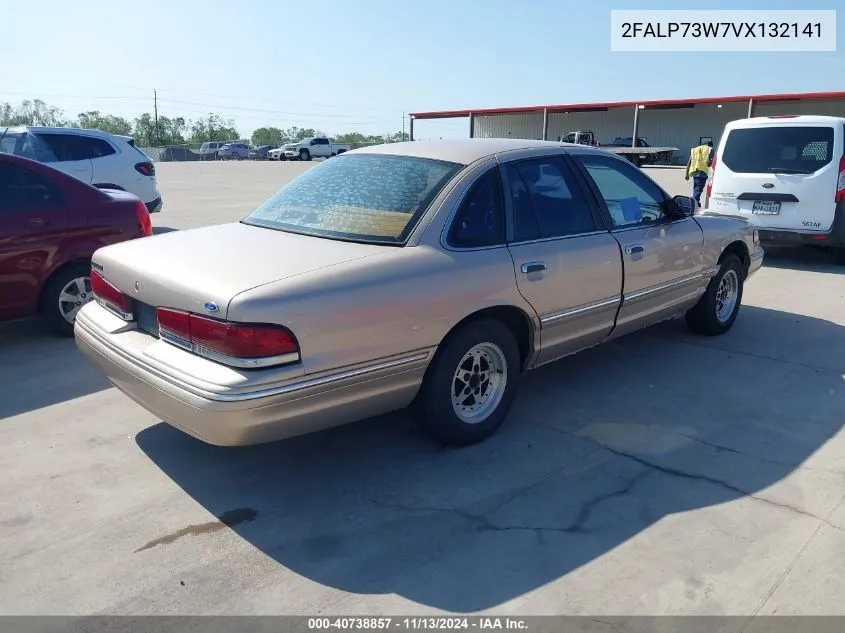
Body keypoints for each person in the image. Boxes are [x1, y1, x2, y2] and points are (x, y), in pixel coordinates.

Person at [685, 140, 714, 205]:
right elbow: (709, 163)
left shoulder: (695, 149)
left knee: (696, 188)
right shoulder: (710, 149)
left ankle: (696, 202)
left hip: (694, 172)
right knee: (698, 189)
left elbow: (689, 162)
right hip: (702, 172)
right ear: (711, 145)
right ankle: (692, 203)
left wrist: (686, 174)